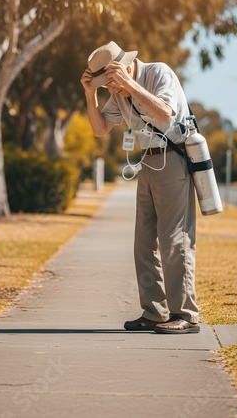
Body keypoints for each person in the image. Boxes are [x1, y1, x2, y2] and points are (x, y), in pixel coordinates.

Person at [81, 41, 200, 334]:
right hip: (148, 164)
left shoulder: (159, 73)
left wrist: (130, 86)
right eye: (105, 85)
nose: (112, 90)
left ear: (125, 68)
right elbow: (100, 130)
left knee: (174, 240)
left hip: (174, 162)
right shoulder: (115, 91)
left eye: (110, 83)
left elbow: (165, 113)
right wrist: (90, 93)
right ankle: (155, 312)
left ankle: (186, 314)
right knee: (144, 243)